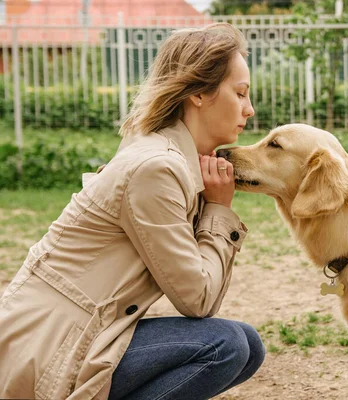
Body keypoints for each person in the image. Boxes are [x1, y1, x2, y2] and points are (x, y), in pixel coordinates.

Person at [0, 23, 264, 400]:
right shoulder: (155, 168)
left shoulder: (164, 155)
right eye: (240, 94)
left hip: (78, 334)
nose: (249, 109)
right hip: (49, 351)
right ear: (200, 94)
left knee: (247, 345)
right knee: (226, 345)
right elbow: (199, 299)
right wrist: (218, 211)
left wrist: (210, 203)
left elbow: (201, 297)